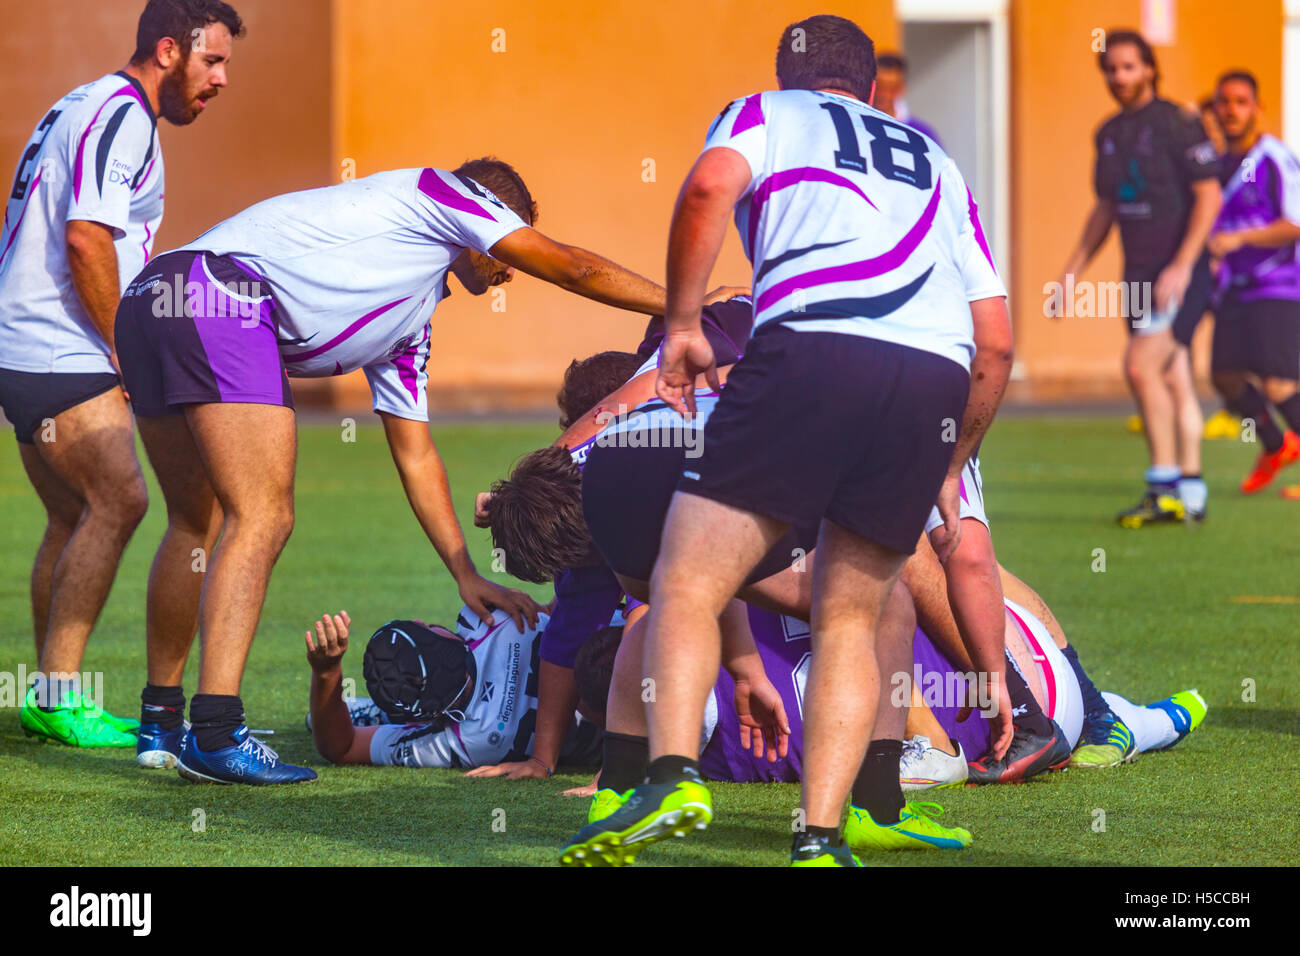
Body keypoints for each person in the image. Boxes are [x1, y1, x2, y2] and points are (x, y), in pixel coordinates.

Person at [115, 155, 734, 784]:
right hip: (220, 296)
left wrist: (465, 572)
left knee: (194, 522)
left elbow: (415, 452)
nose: (509, 270)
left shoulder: (407, 320)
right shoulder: (442, 191)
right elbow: (572, 266)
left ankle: (161, 722)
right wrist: (688, 307)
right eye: (509, 250)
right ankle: (217, 734)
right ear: (491, 217)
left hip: (151, 299)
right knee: (264, 515)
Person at [563, 13, 1014, 867]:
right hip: (930, 377)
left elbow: (704, 190)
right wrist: (953, 461)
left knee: (688, 575)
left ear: (786, 76)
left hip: (811, 350)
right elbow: (994, 339)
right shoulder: (938, 161)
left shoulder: (765, 114)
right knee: (858, 613)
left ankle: (667, 777)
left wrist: (687, 323)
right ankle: (824, 835)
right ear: (874, 86)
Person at [0, 0, 244, 748]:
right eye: (213, 61)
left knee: (73, 517)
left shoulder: (85, 101)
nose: (222, 79)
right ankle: (63, 693)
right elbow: (84, 241)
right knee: (123, 499)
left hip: (22, 345)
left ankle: (47, 693)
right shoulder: (126, 116)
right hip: (58, 346)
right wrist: (124, 346)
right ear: (169, 50)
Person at [1059, 30, 1221, 527]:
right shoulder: (1108, 132)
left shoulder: (1178, 123)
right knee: (1172, 379)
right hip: (1138, 275)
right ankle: (1190, 492)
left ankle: (1162, 487)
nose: (1119, 77)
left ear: (1149, 68)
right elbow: (1106, 207)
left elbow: (1209, 197)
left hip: (1182, 274)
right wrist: (1071, 272)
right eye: (1111, 69)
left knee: (1140, 367)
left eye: (1129, 67)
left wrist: (1182, 263)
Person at [302, 609, 602, 770]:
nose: (422, 620)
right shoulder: (491, 621)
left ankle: (383, 715)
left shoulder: (471, 741)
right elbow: (564, 607)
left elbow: (340, 747)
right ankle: (380, 714)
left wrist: (327, 673)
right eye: (425, 626)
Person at [1204, 71, 1300, 496]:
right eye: (1224, 102)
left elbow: (1294, 223)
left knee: (1279, 382)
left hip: (1277, 285)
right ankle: (1277, 444)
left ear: (1257, 109)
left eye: (1241, 102)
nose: (1231, 110)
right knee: (1224, 376)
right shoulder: (1215, 164)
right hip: (1233, 288)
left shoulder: (1272, 157)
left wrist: (1241, 238)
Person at [873, 52, 943, 146]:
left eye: (891, 88)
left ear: (901, 88)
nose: (882, 94)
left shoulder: (922, 135)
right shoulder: (855, 124)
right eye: (879, 86)